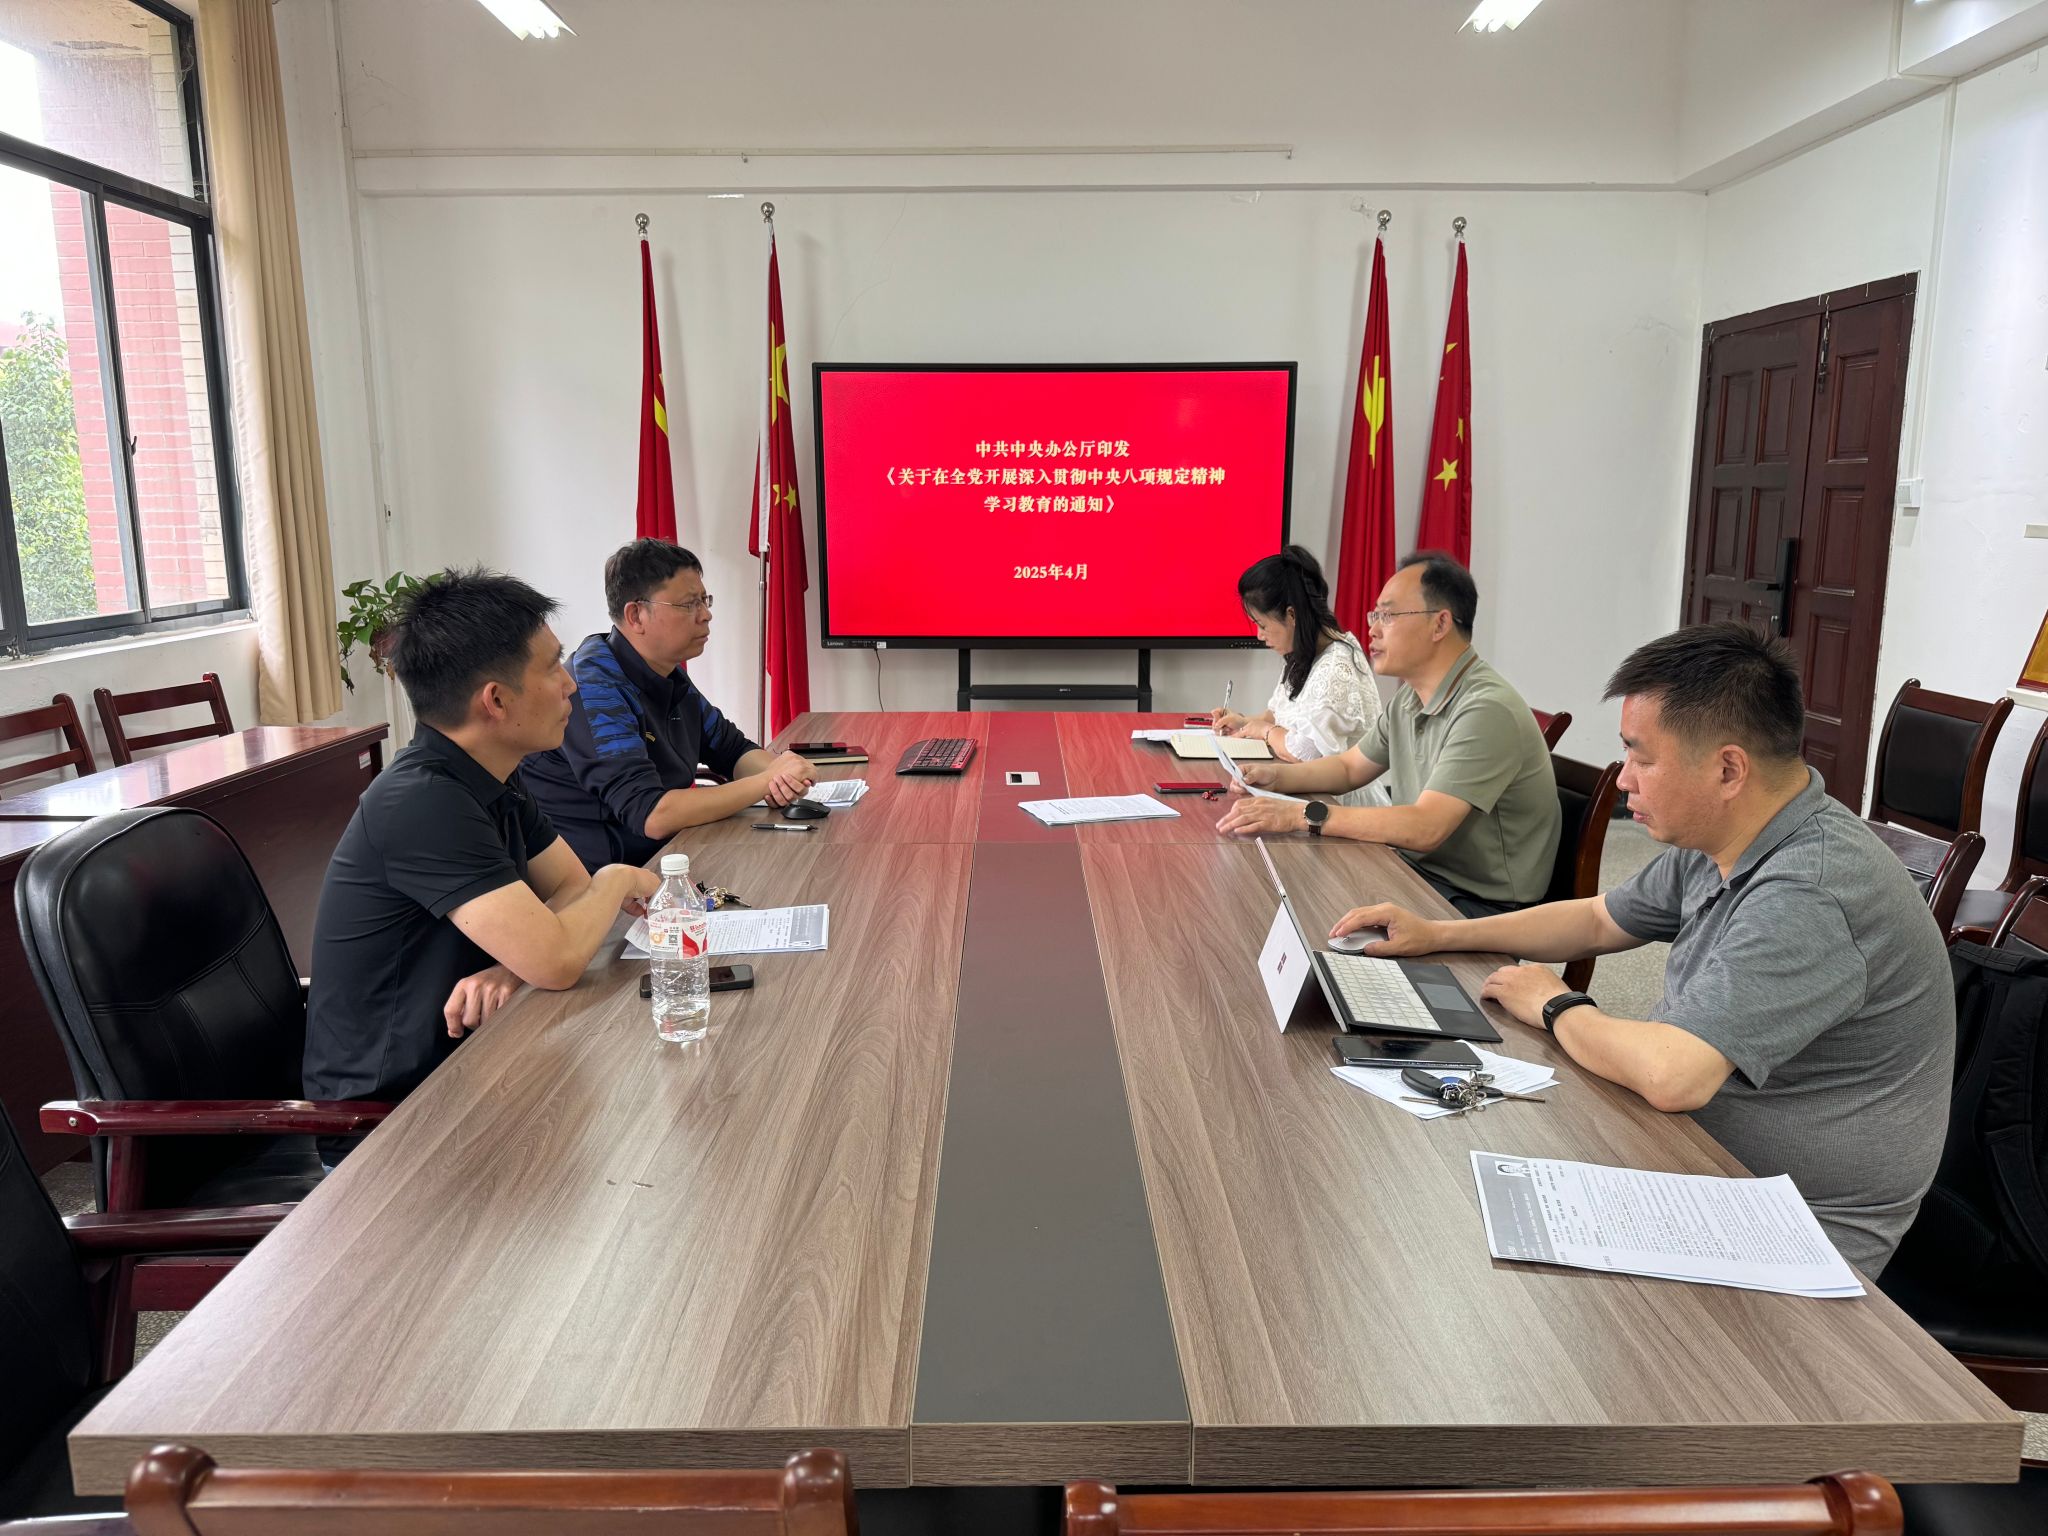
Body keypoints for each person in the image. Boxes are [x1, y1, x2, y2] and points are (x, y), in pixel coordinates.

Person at [1330, 623, 1955, 1276]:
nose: (1624, 779)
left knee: (1477, 1259)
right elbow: (1598, 920)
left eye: (1641, 758)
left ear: (1728, 769)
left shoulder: (1813, 889)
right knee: (1460, 1187)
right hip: (1690, 1159)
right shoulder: (1728, 833)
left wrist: (1557, 1006)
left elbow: (1674, 1075)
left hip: (1793, 1224)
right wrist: (1440, 933)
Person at [304, 569, 662, 1164]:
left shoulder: (491, 773)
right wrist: (618, 877)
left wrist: (512, 968)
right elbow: (562, 951)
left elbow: (568, 888)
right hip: (391, 1127)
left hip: (477, 1067)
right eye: (552, 666)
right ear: (495, 700)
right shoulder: (422, 801)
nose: (571, 684)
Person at [1217, 552, 1559, 916]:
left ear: (1440, 624)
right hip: (1419, 871)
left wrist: (1300, 815)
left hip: (1476, 902)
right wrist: (1275, 777)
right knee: (1281, 889)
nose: (1373, 630)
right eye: (1374, 615)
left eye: (1388, 616)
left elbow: (1426, 827)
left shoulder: (1486, 709)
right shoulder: (1411, 698)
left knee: (1301, 905)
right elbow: (1349, 768)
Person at [522, 539, 815, 872]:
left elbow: (731, 750)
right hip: (608, 881)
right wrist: (766, 780)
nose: (706, 615)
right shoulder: (594, 686)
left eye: (704, 600)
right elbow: (651, 814)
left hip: (672, 856)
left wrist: (784, 776)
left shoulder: (666, 672)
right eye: (689, 604)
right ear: (636, 615)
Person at [1209, 547, 1382, 804]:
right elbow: (1279, 715)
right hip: (1306, 790)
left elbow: (1309, 754)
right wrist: (1244, 722)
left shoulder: (1336, 668)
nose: (1259, 635)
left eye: (1262, 625)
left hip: (1337, 802)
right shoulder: (1305, 651)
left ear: (1291, 615)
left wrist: (1265, 731)